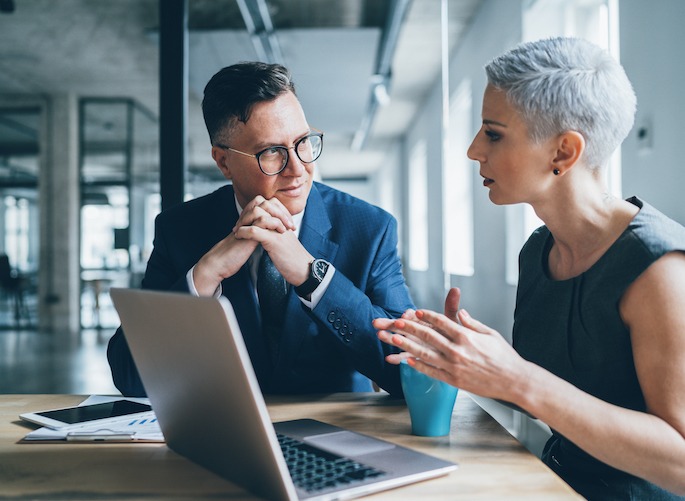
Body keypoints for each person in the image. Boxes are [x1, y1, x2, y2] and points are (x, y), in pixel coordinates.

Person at [374, 37, 685, 499]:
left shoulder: (659, 269)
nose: (473, 149)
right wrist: (464, 359)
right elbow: (554, 398)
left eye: (493, 133)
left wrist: (516, 377)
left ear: (563, 152)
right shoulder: (538, 251)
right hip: (550, 483)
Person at [108, 62, 414, 398]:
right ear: (223, 162)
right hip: (225, 434)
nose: (298, 169)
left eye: (303, 142)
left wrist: (314, 278)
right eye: (272, 153)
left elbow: (407, 372)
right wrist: (206, 275)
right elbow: (130, 376)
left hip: (338, 433)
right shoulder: (179, 229)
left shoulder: (370, 229)